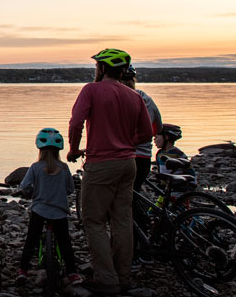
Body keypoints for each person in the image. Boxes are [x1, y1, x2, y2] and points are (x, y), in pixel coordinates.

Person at [67, 48, 153, 295]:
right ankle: (123, 277)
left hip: (101, 163)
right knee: (122, 220)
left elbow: (76, 123)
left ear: (103, 68)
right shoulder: (133, 96)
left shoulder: (91, 90)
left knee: (93, 221)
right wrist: (125, 141)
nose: (95, 70)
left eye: (96, 66)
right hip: (128, 163)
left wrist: (73, 149)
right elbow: (146, 134)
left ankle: (106, 279)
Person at [17, 128, 83, 286]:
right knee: (64, 242)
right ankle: (72, 273)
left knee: (31, 241)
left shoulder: (35, 167)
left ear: (40, 148)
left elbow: (24, 187)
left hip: (39, 210)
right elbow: (70, 189)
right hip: (59, 212)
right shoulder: (65, 168)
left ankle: (23, 271)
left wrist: (33, 192)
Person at [120, 65, 162, 191]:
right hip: (144, 157)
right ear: (134, 80)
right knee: (134, 192)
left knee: (121, 197)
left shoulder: (118, 100)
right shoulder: (147, 99)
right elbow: (158, 128)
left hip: (124, 157)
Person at [154, 123, 197, 192]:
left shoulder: (178, 154)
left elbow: (189, 170)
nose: (154, 139)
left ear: (166, 137)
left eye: (156, 137)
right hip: (166, 187)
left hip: (179, 188)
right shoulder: (159, 153)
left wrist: (192, 185)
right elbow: (160, 170)